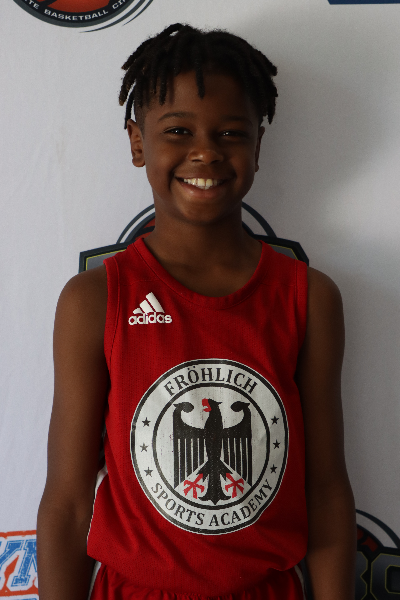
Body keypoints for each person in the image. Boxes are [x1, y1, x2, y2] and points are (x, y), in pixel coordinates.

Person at [37, 23, 356, 600]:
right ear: (137, 142)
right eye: (178, 131)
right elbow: (67, 500)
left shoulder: (309, 297)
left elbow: (327, 490)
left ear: (258, 145)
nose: (205, 151)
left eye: (230, 132)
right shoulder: (94, 300)